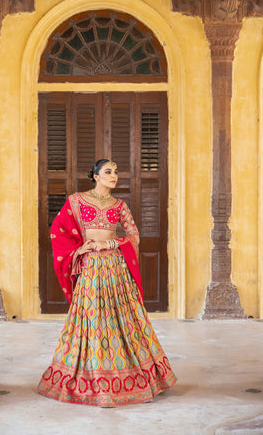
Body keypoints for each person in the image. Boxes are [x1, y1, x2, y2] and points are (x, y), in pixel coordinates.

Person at [37, 159, 177, 406]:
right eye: (108, 172)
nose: (114, 176)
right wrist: (79, 250)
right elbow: (58, 231)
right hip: (91, 268)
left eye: (116, 171)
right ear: (95, 176)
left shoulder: (119, 205)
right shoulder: (76, 200)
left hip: (116, 270)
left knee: (123, 319)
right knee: (93, 319)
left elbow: (133, 236)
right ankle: (95, 378)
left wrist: (109, 244)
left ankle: (133, 374)